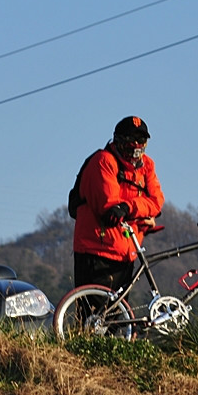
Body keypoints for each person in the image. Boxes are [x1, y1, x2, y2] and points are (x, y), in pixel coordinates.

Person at [72, 115, 165, 291]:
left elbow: (156, 201)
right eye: (131, 140)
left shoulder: (147, 165)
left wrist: (129, 208)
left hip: (126, 253)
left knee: (119, 316)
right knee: (93, 315)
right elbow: (110, 209)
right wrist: (141, 214)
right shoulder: (103, 161)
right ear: (119, 140)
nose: (136, 146)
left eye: (141, 140)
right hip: (97, 251)